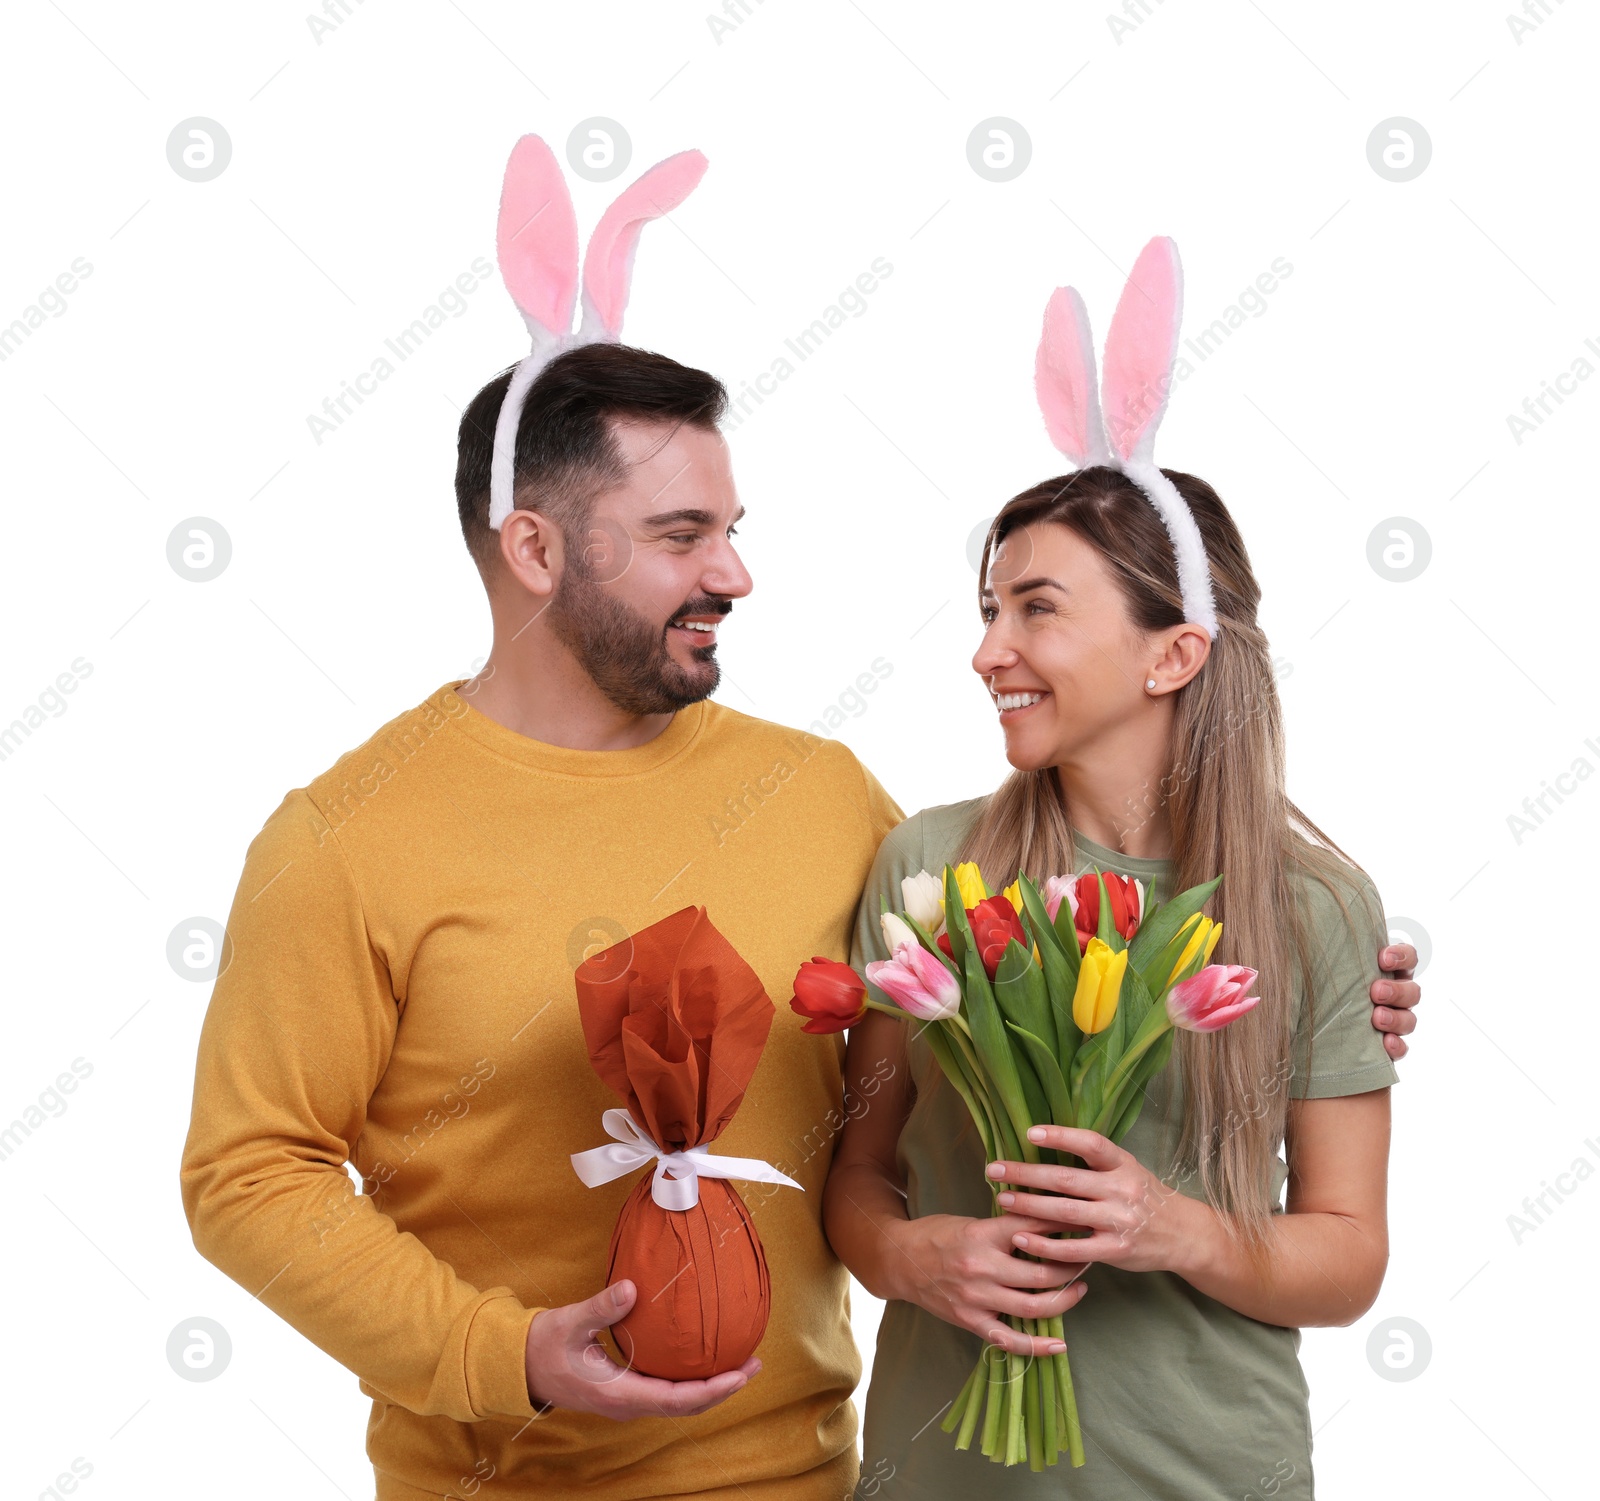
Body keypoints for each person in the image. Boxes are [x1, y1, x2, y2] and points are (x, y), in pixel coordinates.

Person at [825, 456, 1408, 1497]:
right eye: (990, 608)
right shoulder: (929, 870)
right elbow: (856, 1178)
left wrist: (1174, 1228)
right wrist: (912, 1259)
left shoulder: (1312, 908)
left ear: (1173, 654)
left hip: (1205, 1474)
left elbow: (1349, 1255)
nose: (985, 652)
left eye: (1034, 609)